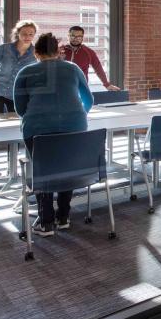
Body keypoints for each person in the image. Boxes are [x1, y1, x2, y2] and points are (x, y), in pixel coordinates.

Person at [13, 32, 94, 236]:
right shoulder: (73, 69)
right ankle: (64, 216)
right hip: (74, 127)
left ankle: (46, 221)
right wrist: (74, 116)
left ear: (36, 52)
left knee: (43, 172)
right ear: (59, 52)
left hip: (38, 129)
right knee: (66, 169)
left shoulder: (25, 72)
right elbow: (89, 100)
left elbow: (20, 108)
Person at [0, 20, 37, 180]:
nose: (27, 37)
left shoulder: (35, 53)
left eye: (31, 34)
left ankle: (11, 168)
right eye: (24, 33)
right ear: (17, 33)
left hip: (18, 95)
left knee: (16, 128)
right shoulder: (4, 49)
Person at [60, 25, 120, 91]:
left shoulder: (88, 52)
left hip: (81, 88)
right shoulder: (60, 50)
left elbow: (98, 68)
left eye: (79, 36)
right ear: (68, 36)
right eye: (73, 36)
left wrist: (107, 85)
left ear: (82, 38)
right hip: (62, 87)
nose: (76, 38)